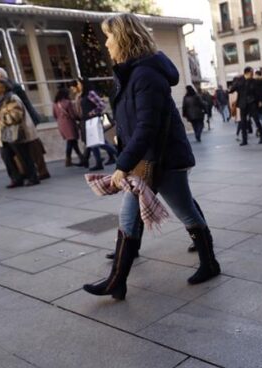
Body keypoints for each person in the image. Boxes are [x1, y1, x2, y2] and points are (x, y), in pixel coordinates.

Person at [82, 13, 220, 300]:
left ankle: (210, 263)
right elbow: (133, 120)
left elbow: (148, 126)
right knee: (129, 216)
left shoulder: (146, 75)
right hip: (145, 159)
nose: (106, 43)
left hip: (164, 160)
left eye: (109, 36)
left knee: (185, 210)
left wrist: (123, 164)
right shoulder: (130, 73)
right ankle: (116, 281)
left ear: (123, 38)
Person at [0, 67, 50, 180]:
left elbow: (21, 105)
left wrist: (1, 117)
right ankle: (26, 173)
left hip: (25, 120)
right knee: (22, 149)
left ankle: (41, 171)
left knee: (32, 147)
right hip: (16, 122)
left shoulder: (11, 88)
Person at [72, 78, 118, 171]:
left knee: (99, 142)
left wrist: (93, 112)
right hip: (86, 121)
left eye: (79, 83)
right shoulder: (81, 95)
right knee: (93, 143)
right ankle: (99, 163)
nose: (78, 85)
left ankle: (118, 155)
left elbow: (101, 104)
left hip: (93, 120)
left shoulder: (90, 93)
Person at [229, 66, 262, 145]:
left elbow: (257, 92)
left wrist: (259, 101)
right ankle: (244, 140)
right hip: (242, 104)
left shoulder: (253, 81)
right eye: (251, 72)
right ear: (247, 72)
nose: (252, 74)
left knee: (256, 120)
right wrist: (236, 83)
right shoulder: (239, 80)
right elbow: (231, 90)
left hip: (252, 103)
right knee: (243, 122)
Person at [52, 87, 85, 167]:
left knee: (71, 141)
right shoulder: (68, 102)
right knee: (71, 141)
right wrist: (79, 117)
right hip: (69, 124)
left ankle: (79, 158)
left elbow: (54, 115)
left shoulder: (55, 104)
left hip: (61, 124)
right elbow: (72, 114)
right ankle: (74, 159)